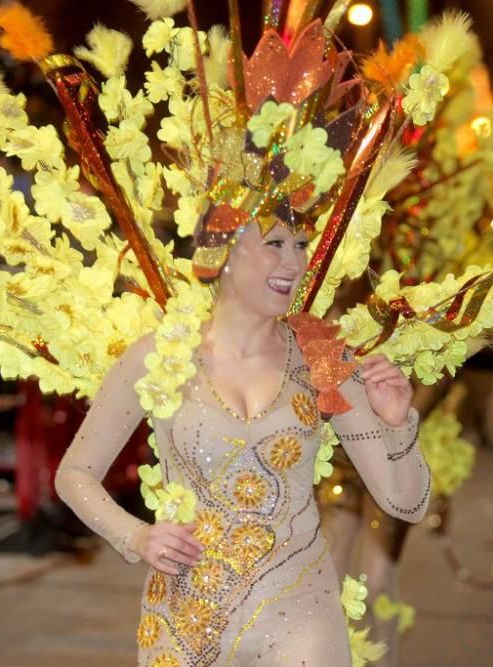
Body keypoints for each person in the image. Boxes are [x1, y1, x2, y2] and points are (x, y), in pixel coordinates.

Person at [55, 219, 430, 665]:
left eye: (301, 244)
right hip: (187, 615)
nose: (293, 262)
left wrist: (398, 422)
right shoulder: (158, 355)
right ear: (222, 253)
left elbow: (407, 503)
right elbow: (74, 474)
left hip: (300, 611)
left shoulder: (323, 358)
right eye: (274, 244)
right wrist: (135, 536)